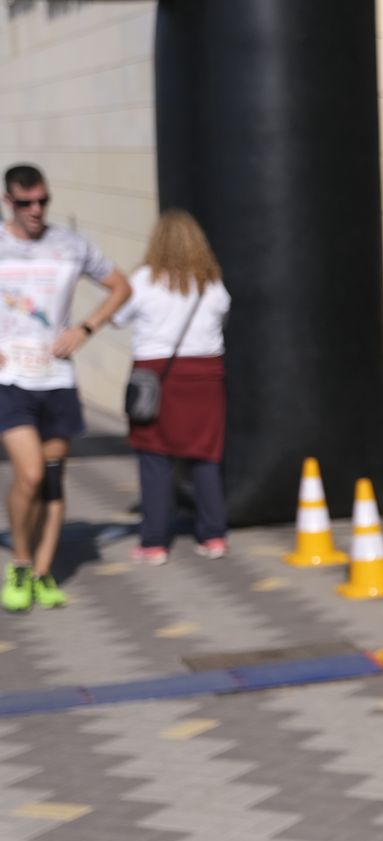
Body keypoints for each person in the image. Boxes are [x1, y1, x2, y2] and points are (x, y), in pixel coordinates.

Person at [0, 164, 131, 611]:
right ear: (8, 203)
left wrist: (87, 328)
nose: (36, 211)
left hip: (56, 379)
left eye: (43, 201)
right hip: (11, 380)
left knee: (53, 483)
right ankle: (18, 562)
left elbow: (120, 286)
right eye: (26, 204)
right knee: (30, 473)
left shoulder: (70, 246)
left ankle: (42, 572)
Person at [115, 210, 231, 564]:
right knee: (205, 456)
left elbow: (118, 319)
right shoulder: (212, 283)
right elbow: (224, 316)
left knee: (155, 457)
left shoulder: (144, 280)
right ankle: (213, 537)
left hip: (156, 377)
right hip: (206, 378)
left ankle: (154, 542)